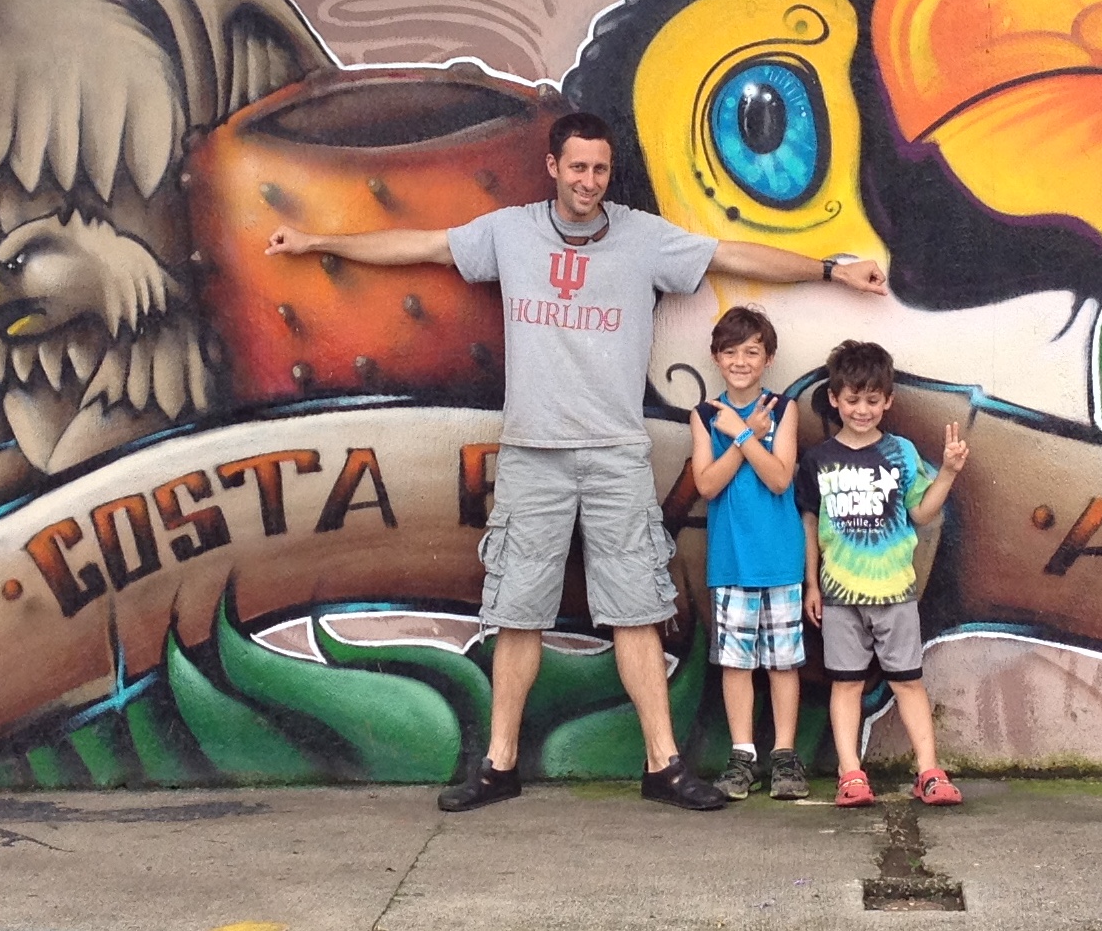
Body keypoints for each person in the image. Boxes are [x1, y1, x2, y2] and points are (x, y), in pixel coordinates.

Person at [265, 111, 886, 811]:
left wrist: (833, 268)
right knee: (518, 611)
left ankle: (664, 764)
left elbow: (733, 256)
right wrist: (320, 240)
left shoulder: (642, 238)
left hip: (617, 453)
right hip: (534, 452)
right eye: (578, 166)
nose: (590, 180)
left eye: (600, 168)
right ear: (553, 166)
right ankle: (498, 765)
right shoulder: (510, 231)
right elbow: (427, 246)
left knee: (636, 612)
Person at [797, 339, 969, 808]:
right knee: (846, 683)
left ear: (888, 400)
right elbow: (811, 525)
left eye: (873, 400)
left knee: (908, 681)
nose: (862, 410)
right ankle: (850, 773)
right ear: (834, 399)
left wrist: (949, 473)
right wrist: (812, 584)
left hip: (895, 592)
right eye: (852, 399)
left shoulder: (901, 452)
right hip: (838, 596)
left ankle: (929, 771)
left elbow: (922, 514)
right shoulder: (817, 461)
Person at [688, 306, 808, 801]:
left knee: (783, 663)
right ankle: (744, 756)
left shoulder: (785, 409)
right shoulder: (703, 416)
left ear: (768, 358)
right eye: (731, 351)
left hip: (779, 558)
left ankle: (783, 755)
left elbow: (780, 477)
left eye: (752, 351)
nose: (741, 361)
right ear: (717, 358)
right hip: (731, 560)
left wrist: (741, 433)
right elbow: (707, 484)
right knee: (737, 664)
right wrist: (742, 434)